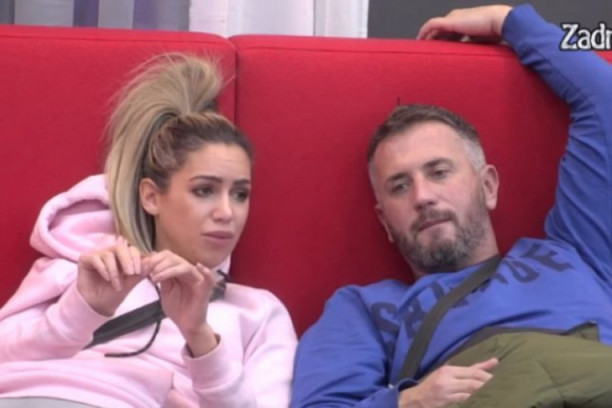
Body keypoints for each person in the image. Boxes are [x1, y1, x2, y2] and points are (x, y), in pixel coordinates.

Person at [292, 4, 612, 408]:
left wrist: (508, 21)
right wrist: (408, 401)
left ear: (488, 186)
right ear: (385, 222)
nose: (422, 196)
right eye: (399, 186)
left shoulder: (577, 251)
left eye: (439, 172)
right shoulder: (367, 310)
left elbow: (604, 101)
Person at [0, 54, 297, 407]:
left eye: (240, 194)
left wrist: (199, 336)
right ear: (152, 197)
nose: (226, 212)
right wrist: (82, 310)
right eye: (204, 190)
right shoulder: (81, 268)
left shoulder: (259, 313)